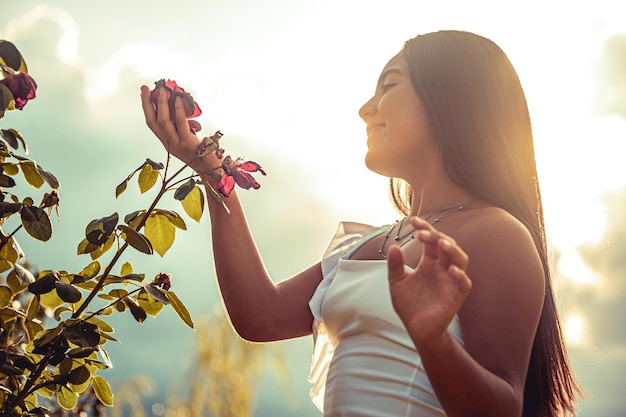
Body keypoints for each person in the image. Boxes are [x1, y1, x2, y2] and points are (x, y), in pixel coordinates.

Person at [140, 30, 581, 417]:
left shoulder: (497, 234)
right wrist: (210, 169)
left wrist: (433, 339)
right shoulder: (365, 245)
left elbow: (504, 408)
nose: (365, 109)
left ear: (451, 97)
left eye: (388, 85)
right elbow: (260, 315)